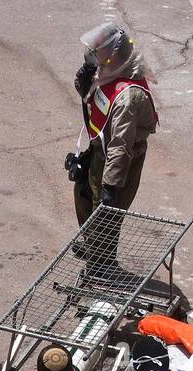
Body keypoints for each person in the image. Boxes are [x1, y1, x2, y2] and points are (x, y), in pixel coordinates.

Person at [70, 24, 158, 231]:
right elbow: (92, 98)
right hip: (99, 151)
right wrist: (84, 78)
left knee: (103, 218)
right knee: (83, 196)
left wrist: (110, 187)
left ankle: (101, 260)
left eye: (99, 52)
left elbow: (121, 145)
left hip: (116, 162)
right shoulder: (110, 73)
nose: (94, 56)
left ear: (115, 57)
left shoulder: (128, 98)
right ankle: (92, 245)